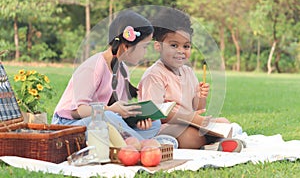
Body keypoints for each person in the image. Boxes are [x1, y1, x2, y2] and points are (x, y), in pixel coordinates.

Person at [52, 10, 161, 140]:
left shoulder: (123, 70)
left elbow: (118, 115)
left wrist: (136, 119)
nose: (145, 53)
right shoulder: (93, 66)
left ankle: (132, 141)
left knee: (155, 124)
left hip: (104, 122)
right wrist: (111, 110)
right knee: (109, 118)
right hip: (69, 125)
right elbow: (78, 111)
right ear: (126, 46)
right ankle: (141, 144)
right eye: (144, 47)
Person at [138, 8, 233, 149]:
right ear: (158, 46)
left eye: (186, 46)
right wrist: (193, 119)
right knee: (192, 137)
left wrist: (200, 97)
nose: (181, 51)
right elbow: (155, 113)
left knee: (224, 123)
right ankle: (213, 144)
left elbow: (197, 107)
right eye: (174, 45)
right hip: (166, 127)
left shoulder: (188, 72)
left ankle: (213, 144)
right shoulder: (154, 75)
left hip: (191, 122)